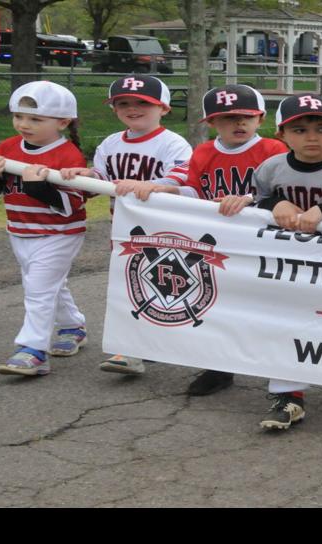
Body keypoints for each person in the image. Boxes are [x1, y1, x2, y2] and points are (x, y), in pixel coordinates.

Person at [120, 84, 287, 396]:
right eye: (227, 119)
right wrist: (164, 189)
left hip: (264, 240)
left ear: (260, 119)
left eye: (245, 117)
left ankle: (283, 371)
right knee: (219, 304)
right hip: (221, 240)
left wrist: (250, 198)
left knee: (267, 304)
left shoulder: (273, 151)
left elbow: (286, 190)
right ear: (211, 123)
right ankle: (219, 367)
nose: (238, 124)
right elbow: (194, 191)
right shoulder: (204, 151)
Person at [236, 93, 322, 432]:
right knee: (285, 324)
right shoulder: (272, 167)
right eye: (301, 129)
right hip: (287, 263)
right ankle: (287, 395)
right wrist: (274, 202)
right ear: (282, 134)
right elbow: (257, 200)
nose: (312, 137)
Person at [55, 75, 193, 378]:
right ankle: (135, 348)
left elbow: (182, 179)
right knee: (128, 290)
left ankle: (145, 346)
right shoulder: (110, 143)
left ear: (164, 108)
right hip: (124, 231)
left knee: (157, 291)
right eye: (123, 103)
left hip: (165, 233)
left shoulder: (172, 142)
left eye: (143, 103)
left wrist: (150, 185)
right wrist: (83, 175)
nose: (132, 108)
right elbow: (100, 182)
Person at [0, 81, 87, 379]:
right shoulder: (8, 147)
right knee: (46, 285)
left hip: (60, 233)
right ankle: (73, 325)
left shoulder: (68, 155)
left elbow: (72, 205)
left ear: (62, 122)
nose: (24, 124)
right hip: (19, 230)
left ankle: (33, 350)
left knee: (38, 290)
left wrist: (41, 189)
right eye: (19, 116)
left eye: (35, 119)